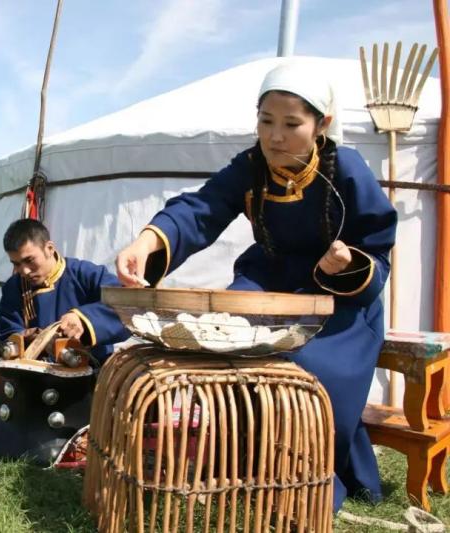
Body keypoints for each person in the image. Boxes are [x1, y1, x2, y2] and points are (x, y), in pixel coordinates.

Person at [115, 62, 397, 513]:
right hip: (269, 282)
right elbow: (202, 209)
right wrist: (148, 241)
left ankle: (306, 481)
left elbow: (377, 250)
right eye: (266, 122)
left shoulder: (346, 167)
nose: (275, 137)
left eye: (291, 124)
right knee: (225, 340)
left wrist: (346, 263)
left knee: (307, 371)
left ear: (321, 124)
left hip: (339, 297)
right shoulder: (251, 167)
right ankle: (245, 466)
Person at [0, 218, 130, 393]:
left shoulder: (86, 274)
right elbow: (5, 334)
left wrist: (83, 319)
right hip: (32, 368)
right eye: (16, 264)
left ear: (50, 248)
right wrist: (27, 336)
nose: (24, 271)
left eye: (29, 260)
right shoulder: (14, 286)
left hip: (83, 367)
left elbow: (126, 305)